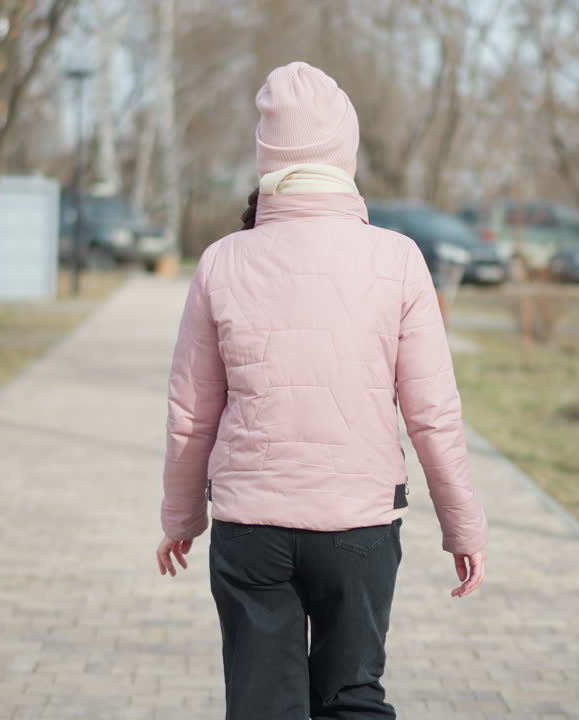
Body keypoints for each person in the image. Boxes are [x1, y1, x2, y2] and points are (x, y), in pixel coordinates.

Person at [155, 61, 489, 720]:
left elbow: (190, 413)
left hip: (250, 530)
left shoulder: (223, 259)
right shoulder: (397, 259)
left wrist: (180, 518)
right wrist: (464, 526)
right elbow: (433, 417)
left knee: (262, 707)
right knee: (351, 700)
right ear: (346, 155)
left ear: (266, 158)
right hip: (359, 529)